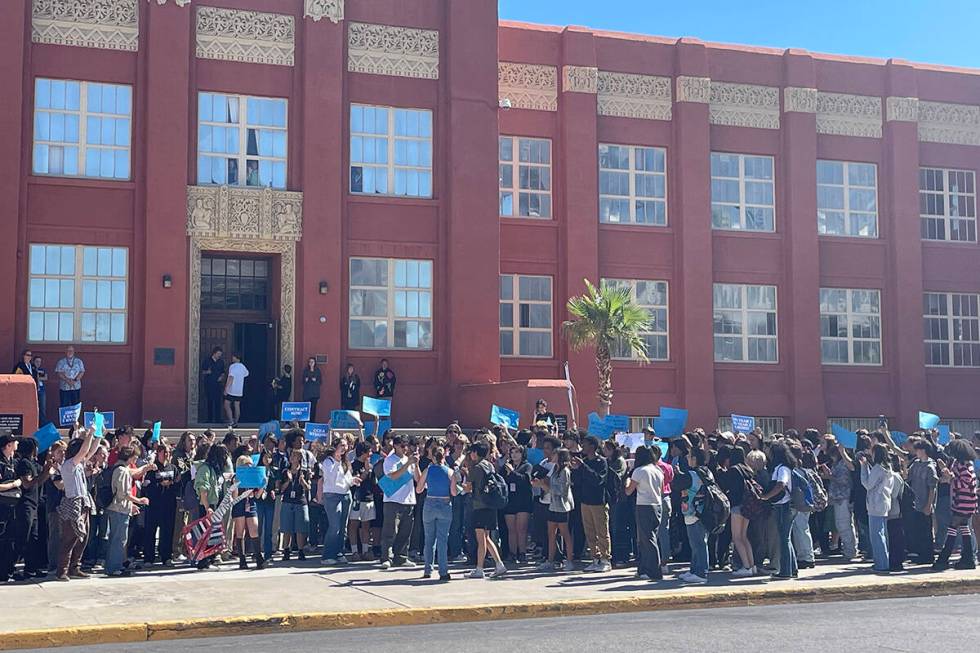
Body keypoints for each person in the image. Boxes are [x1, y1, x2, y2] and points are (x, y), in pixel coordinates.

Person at [933, 439, 977, 571]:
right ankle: (967, 558)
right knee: (964, 528)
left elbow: (964, 482)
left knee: (952, 528)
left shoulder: (964, 465)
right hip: (963, 501)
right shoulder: (961, 463)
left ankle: (944, 559)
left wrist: (950, 477)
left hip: (964, 501)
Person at [464, 441, 507, 578]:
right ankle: (497, 564)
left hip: (479, 505)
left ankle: (480, 568)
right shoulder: (489, 465)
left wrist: (462, 483)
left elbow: (469, 487)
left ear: (475, 453)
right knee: (486, 537)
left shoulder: (476, 468)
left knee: (481, 538)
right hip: (490, 504)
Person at [105, 446, 150, 577]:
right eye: (134, 457)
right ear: (129, 457)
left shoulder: (117, 468)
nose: (135, 460)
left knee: (117, 538)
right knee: (119, 539)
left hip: (117, 508)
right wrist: (139, 500)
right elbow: (123, 494)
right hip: (119, 509)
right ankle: (115, 567)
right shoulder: (123, 471)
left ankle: (113, 565)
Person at [13, 438, 53, 581]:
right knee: (23, 536)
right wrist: (44, 473)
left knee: (34, 538)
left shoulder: (34, 463)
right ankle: (10, 567)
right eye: (36, 447)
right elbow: (27, 484)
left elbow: (40, 480)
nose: (38, 450)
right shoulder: (24, 463)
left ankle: (30, 569)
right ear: (31, 448)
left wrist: (47, 470)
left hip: (35, 504)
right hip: (26, 504)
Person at [672, 445, 712, 584]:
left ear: (694, 459)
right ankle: (694, 570)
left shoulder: (692, 474)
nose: (687, 459)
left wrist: (677, 474)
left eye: (689, 457)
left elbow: (677, 485)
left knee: (698, 543)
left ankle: (701, 573)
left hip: (694, 511)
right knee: (696, 543)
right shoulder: (706, 472)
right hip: (702, 511)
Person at [571, 435, 611, 572]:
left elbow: (598, 480)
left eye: (585, 444)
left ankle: (606, 559)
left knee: (602, 531)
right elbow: (577, 482)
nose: (583, 447)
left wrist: (583, 467)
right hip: (585, 501)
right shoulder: (585, 461)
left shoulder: (601, 462)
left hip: (598, 501)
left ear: (592, 446)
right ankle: (595, 558)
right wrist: (575, 469)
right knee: (589, 532)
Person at [624, 445, 664, 581]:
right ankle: (643, 568)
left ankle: (654, 570)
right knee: (650, 537)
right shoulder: (658, 470)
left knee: (647, 539)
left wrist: (627, 480)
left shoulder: (639, 471)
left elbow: (629, 490)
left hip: (644, 505)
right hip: (657, 505)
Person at [380, 435, 420, 569]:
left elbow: (418, 480)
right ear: (396, 446)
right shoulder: (390, 460)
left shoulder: (409, 460)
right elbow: (392, 476)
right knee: (390, 530)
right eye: (402, 446)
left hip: (408, 500)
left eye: (407, 446)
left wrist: (416, 464)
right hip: (393, 499)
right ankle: (386, 557)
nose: (405, 448)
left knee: (405, 531)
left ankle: (401, 557)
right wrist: (407, 464)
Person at [416, 445, 456, 580]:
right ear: (443, 457)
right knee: (442, 540)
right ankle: (443, 571)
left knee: (429, 539)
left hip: (430, 503)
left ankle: (427, 570)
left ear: (432, 457)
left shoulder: (427, 470)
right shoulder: (450, 472)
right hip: (445, 504)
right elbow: (454, 492)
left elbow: (419, 489)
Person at [760, 441, 797, 580]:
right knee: (786, 539)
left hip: (784, 505)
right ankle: (792, 569)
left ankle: (785, 571)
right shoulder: (782, 467)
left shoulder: (782, 469)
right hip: (784, 505)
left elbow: (781, 484)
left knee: (784, 539)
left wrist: (766, 496)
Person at [534, 447, 574, 573]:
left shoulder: (565, 471)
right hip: (552, 505)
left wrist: (544, 486)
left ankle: (569, 560)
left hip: (562, 506)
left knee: (565, 534)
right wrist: (540, 484)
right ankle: (550, 561)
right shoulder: (554, 469)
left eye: (556, 454)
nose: (553, 456)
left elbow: (562, 491)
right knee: (551, 533)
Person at [320, 437, 360, 565]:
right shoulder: (328, 462)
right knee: (335, 526)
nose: (344, 448)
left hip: (345, 495)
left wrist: (354, 480)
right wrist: (337, 459)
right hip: (332, 496)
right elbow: (331, 478)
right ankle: (327, 555)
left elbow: (346, 479)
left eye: (346, 445)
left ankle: (339, 552)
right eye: (341, 445)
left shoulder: (345, 462)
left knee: (343, 527)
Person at [719, 446, 757, 577]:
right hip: (748, 505)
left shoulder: (734, 470)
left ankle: (746, 567)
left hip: (737, 506)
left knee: (737, 537)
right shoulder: (748, 469)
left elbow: (727, 486)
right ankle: (752, 566)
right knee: (744, 536)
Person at [193, 443, 231, 570]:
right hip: (207, 505)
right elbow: (203, 489)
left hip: (217, 504)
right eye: (224, 455)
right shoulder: (205, 468)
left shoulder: (218, 469)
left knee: (213, 534)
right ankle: (202, 561)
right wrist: (207, 507)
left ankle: (210, 558)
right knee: (205, 534)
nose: (226, 457)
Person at [860, 443, 895, 573]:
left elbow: (868, 484)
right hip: (884, 502)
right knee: (882, 533)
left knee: (876, 535)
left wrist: (864, 467)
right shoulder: (888, 467)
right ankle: (883, 561)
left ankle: (881, 563)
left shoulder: (878, 468)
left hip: (875, 503)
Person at [142, 444, 178, 567]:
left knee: (167, 531)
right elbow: (146, 486)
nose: (166, 454)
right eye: (164, 452)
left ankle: (166, 556)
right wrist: (159, 485)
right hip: (154, 505)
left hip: (169, 505)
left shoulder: (173, 468)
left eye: (168, 452)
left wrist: (171, 484)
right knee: (150, 532)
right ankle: (148, 558)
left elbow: (178, 484)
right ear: (158, 453)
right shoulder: (153, 468)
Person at [907, 439, 938, 565]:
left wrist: (929, 505)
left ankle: (928, 556)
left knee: (926, 531)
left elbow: (932, 488)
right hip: (916, 502)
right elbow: (907, 478)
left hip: (925, 503)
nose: (916, 451)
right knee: (917, 530)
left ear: (924, 450)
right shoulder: (915, 464)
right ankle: (920, 554)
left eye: (918, 449)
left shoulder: (930, 467)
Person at [231, 456, 264, 569]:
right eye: (247, 464)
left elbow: (258, 495)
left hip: (251, 503)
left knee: (254, 529)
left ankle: (259, 557)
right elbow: (234, 497)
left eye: (250, 464)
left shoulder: (253, 477)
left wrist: (262, 485)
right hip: (239, 504)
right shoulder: (236, 477)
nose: (250, 467)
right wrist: (235, 485)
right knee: (240, 532)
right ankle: (242, 559)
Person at [278, 449, 311, 562]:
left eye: (295, 456)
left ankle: (300, 550)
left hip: (300, 501)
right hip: (287, 501)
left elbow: (308, 488)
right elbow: (281, 489)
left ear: (299, 458)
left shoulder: (304, 472)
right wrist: (288, 481)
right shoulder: (285, 472)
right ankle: (286, 550)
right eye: (291, 455)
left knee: (300, 528)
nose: (292, 457)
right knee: (287, 527)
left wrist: (302, 481)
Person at [503, 444, 533, 565]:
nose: (514, 455)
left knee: (521, 529)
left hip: (523, 501)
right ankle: (512, 553)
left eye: (517, 452)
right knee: (511, 529)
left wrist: (512, 472)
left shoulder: (527, 466)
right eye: (512, 452)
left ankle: (522, 553)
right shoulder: (506, 465)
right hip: (510, 501)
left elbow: (526, 480)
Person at [348, 441, 377, 561]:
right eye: (369, 451)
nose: (371, 453)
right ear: (363, 452)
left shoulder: (370, 466)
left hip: (369, 498)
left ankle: (365, 551)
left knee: (366, 525)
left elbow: (374, 482)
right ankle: (354, 551)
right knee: (353, 525)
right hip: (356, 499)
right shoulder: (353, 465)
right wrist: (365, 471)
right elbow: (357, 481)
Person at [0, 433, 23, 582]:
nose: (17, 445)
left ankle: (8, 570)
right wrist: (14, 485)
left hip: (12, 507)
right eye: (15, 442)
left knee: (10, 541)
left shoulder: (13, 461)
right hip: (2, 508)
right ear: (8, 445)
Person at [223, 354, 249, 427]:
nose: (232, 358)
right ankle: (236, 422)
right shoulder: (243, 367)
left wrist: (226, 388)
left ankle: (231, 421)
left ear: (237, 358)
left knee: (226, 404)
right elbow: (246, 374)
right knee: (237, 405)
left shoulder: (233, 366)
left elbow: (231, 377)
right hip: (239, 390)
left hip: (231, 389)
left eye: (233, 357)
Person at [201, 347, 225, 424]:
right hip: (209, 384)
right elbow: (202, 372)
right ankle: (209, 419)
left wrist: (221, 377)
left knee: (218, 401)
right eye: (218, 354)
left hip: (218, 385)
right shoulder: (207, 361)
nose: (219, 356)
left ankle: (218, 419)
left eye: (220, 354)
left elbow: (223, 372)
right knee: (210, 401)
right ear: (214, 353)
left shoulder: (221, 362)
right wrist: (207, 372)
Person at [302, 358, 323, 422]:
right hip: (307, 394)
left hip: (314, 394)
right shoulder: (306, 371)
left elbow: (320, 382)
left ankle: (312, 422)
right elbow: (302, 381)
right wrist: (305, 380)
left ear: (314, 363)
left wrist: (315, 380)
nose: (311, 363)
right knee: (307, 409)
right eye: (310, 362)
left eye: (312, 362)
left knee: (313, 409)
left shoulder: (317, 371)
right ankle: (306, 422)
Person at [33, 355, 48, 424]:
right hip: (34, 390)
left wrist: (37, 377)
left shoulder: (42, 370)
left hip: (41, 390)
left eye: (39, 362)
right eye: (37, 361)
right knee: (34, 407)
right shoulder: (32, 369)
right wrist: (37, 377)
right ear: (33, 362)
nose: (38, 363)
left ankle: (42, 423)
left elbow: (46, 377)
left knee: (42, 408)